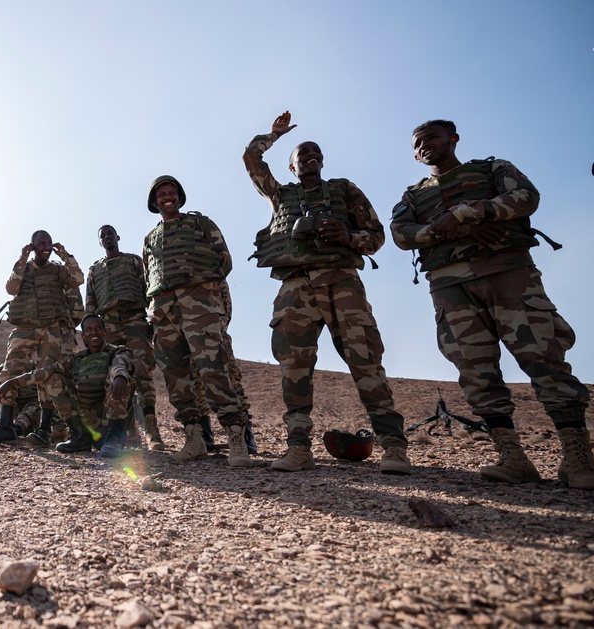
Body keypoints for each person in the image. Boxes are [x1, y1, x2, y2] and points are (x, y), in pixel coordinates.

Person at [390, 119, 592, 489]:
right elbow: (402, 235)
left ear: (453, 139)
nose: (424, 146)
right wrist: (448, 228)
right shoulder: (412, 196)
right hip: (450, 285)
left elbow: (526, 198)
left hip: (508, 271)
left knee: (544, 356)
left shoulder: (491, 169)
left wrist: (470, 211)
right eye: (418, 143)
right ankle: (512, 458)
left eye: (431, 138)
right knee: (475, 370)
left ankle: (577, 457)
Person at [243, 111, 410, 474]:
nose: (309, 156)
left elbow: (377, 236)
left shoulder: (344, 190)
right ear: (291, 167)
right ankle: (298, 447)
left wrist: (348, 237)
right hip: (294, 287)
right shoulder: (279, 194)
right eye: (301, 155)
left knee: (365, 360)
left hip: (341, 281)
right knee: (294, 367)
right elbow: (251, 159)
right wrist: (272, 136)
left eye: (315, 152)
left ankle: (394, 448)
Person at [142, 175, 252, 467]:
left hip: (199, 308)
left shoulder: (200, 224)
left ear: (179, 197)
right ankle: (194, 439)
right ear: (155, 202)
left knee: (213, 370)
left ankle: (236, 437)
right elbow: (148, 277)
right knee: (175, 379)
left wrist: (203, 293)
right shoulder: (150, 238)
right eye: (162, 193)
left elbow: (224, 260)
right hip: (165, 314)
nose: (168, 196)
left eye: (172, 192)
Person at [0, 230, 84, 445]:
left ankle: (43, 430)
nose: (46, 247)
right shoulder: (24, 268)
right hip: (25, 329)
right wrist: (21, 259)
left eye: (49, 243)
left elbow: (78, 279)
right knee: (9, 372)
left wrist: (65, 255)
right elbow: (11, 288)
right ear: (32, 246)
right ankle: (5, 426)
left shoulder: (58, 270)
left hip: (51, 330)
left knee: (46, 376)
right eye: (41, 243)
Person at [0, 314, 135, 457]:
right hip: (87, 418)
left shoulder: (118, 351)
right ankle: (79, 435)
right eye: (89, 329)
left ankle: (115, 437)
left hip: (108, 418)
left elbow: (120, 364)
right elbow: (46, 371)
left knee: (119, 377)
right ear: (84, 335)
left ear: (105, 332)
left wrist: (119, 376)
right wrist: (12, 382)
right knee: (53, 379)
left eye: (98, 328)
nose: (94, 332)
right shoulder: (76, 359)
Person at [86, 224, 163, 450]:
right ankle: (128, 431)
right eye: (103, 236)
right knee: (115, 376)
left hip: (135, 321)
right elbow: (90, 302)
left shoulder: (132, 261)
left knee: (142, 373)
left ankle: (152, 431)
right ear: (100, 242)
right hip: (108, 326)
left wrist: (152, 319)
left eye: (110, 234)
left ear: (117, 237)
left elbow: (147, 286)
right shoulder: (94, 270)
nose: (107, 238)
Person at [192, 280, 258, 455]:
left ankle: (245, 435)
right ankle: (206, 437)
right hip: (189, 333)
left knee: (231, 381)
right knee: (197, 384)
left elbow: (226, 307)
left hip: (214, 332)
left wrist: (217, 328)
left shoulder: (212, 271)